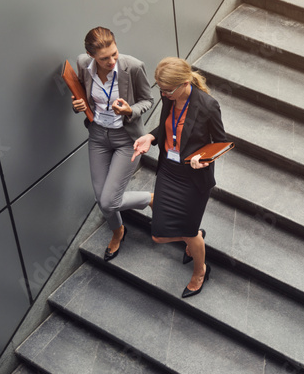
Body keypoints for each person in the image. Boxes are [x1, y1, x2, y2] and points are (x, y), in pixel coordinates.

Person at [132, 57, 228, 298]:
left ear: (185, 83)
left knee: (188, 231)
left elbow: (222, 143)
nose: (163, 95)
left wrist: (204, 158)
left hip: (194, 179)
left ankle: (200, 269)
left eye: (167, 90)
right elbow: (167, 127)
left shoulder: (207, 105)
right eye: (161, 89)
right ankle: (195, 237)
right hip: (169, 171)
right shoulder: (170, 98)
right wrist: (151, 138)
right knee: (158, 234)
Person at [71, 27, 154, 261]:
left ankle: (150, 199)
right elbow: (81, 95)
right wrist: (77, 105)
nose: (111, 61)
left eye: (114, 54)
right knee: (103, 200)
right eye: (104, 58)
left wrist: (130, 109)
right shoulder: (82, 64)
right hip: (97, 135)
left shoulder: (133, 67)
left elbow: (148, 100)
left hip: (126, 138)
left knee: (109, 201)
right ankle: (118, 231)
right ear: (90, 55)